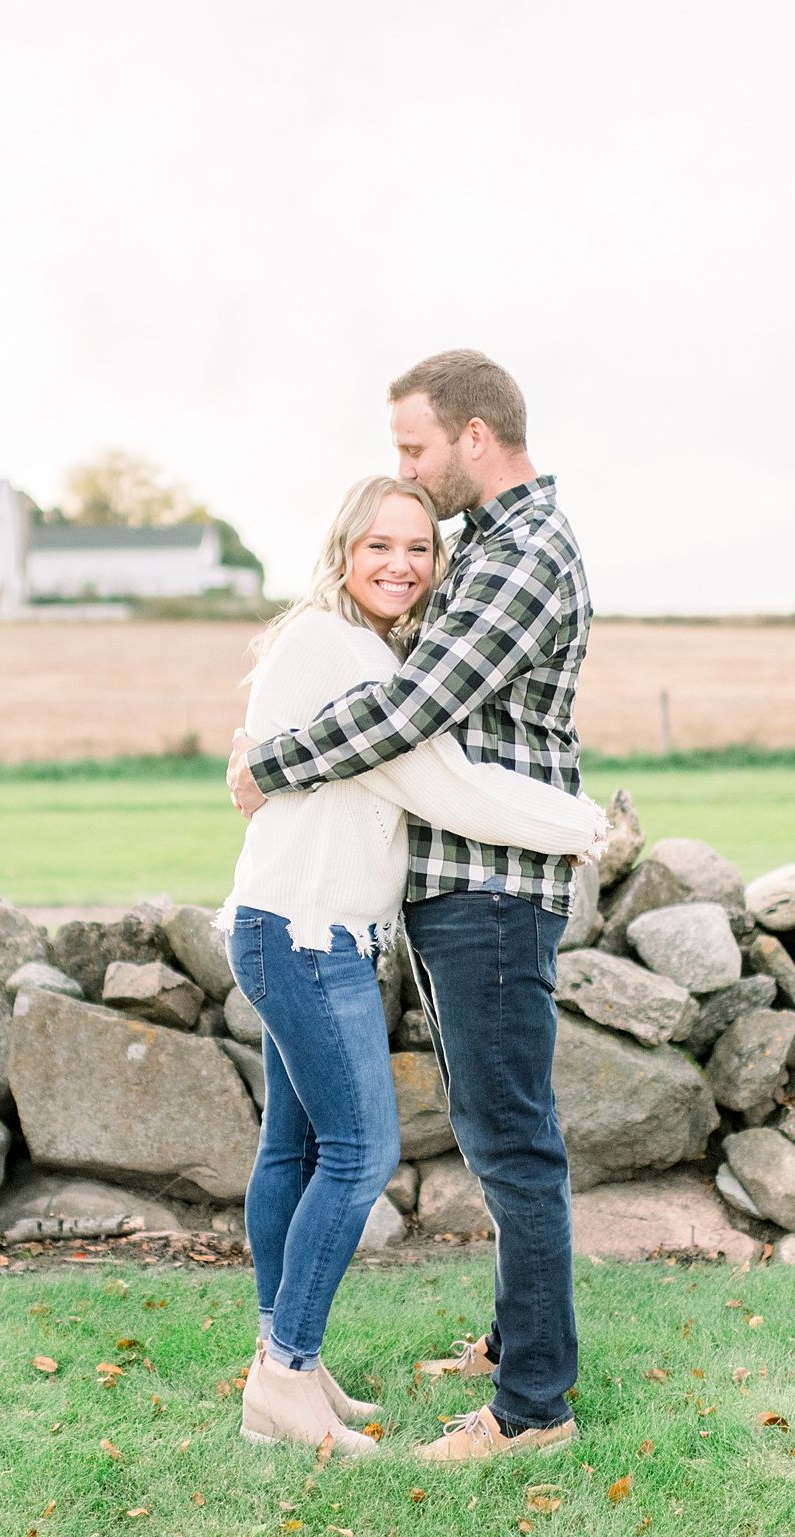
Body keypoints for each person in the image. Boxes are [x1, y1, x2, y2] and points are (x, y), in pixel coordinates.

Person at [228, 350, 593, 1462]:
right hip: (413, 897)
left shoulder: (521, 551)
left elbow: (420, 723)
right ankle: (462, 1350)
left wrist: (267, 760)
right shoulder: (480, 547)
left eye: (414, 448)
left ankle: (533, 1406)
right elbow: (417, 736)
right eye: (379, 537)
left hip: (491, 888)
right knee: (457, 1139)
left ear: (474, 435)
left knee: (506, 1143)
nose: (407, 472)